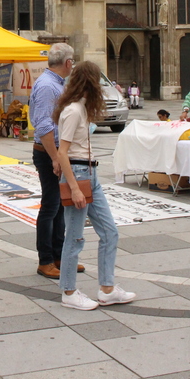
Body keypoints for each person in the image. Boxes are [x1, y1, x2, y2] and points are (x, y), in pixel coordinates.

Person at [53, 60, 136, 311]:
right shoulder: (73, 110)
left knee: (110, 231)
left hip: (90, 173)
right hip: (78, 174)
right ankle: (68, 291)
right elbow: (63, 152)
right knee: (75, 237)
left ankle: (107, 288)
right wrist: (75, 187)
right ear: (89, 82)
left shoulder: (82, 109)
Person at [29, 43, 77, 280]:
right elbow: (44, 125)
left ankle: (59, 256)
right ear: (67, 63)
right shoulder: (49, 86)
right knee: (50, 206)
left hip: (55, 151)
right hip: (49, 151)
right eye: (73, 61)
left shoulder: (56, 83)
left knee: (59, 206)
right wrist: (55, 157)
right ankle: (45, 260)